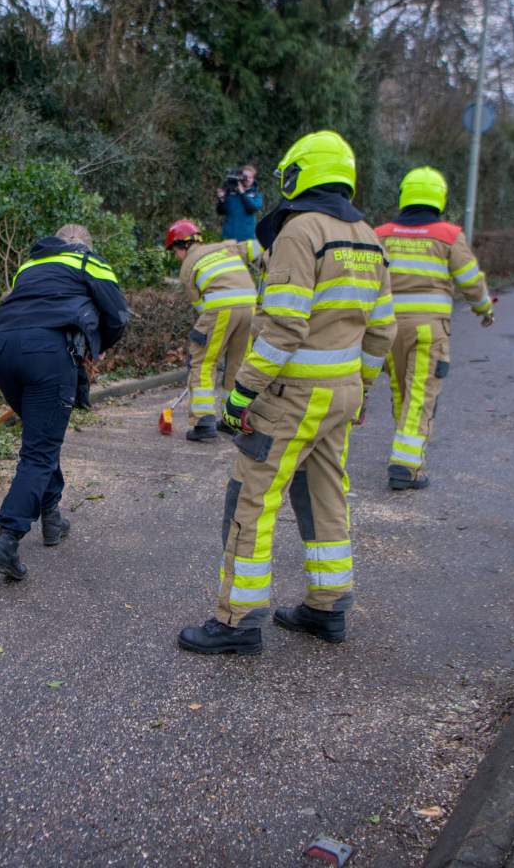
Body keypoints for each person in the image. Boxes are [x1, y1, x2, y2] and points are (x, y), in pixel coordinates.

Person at [178, 132, 396, 655]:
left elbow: (282, 328)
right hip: (340, 396)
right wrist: (360, 390)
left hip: (293, 395)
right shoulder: (369, 236)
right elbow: (383, 330)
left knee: (252, 498)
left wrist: (240, 395)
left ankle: (237, 621)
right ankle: (328, 607)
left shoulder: (301, 232)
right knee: (325, 496)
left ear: (302, 174)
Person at [0, 224, 130, 581]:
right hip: (49, 354)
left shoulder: (30, 265)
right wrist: (97, 348)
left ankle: (52, 518)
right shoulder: (90, 262)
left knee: (40, 439)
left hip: (2, 348)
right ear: (86, 245)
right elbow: (118, 317)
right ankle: (8, 539)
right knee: (39, 452)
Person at [373, 166, 494, 491]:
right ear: (439, 198)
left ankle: (405, 450)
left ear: (404, 196)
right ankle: (406, 466)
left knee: (400, 390)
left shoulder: (382, 233)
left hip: (388, 329)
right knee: (420, 394)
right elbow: (469, 279)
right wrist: (484, 309)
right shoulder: (448, 235)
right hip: (429, 331)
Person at [163, 219, 262, 441]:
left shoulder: (188, 266)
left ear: (182, 246)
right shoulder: (226, 247)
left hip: (220, 309)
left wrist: (211, 336)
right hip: (249, 307)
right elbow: (258, 247)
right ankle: (232, 419)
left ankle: (203, 421)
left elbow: (200, 307)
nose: (177, 255)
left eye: (175, 251)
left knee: (203, 360)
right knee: (238, 363)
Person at [215, 164, 264, 241]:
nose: (247, 179)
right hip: (229, 238)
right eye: (244, 176)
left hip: (250, 237)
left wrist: (242, 193)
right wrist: (221, 200)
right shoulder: (230, 192)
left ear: (253, 179)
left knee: (257, 253)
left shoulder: (257, 195)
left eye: (250, 177)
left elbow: (253, 208)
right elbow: (220, 211)